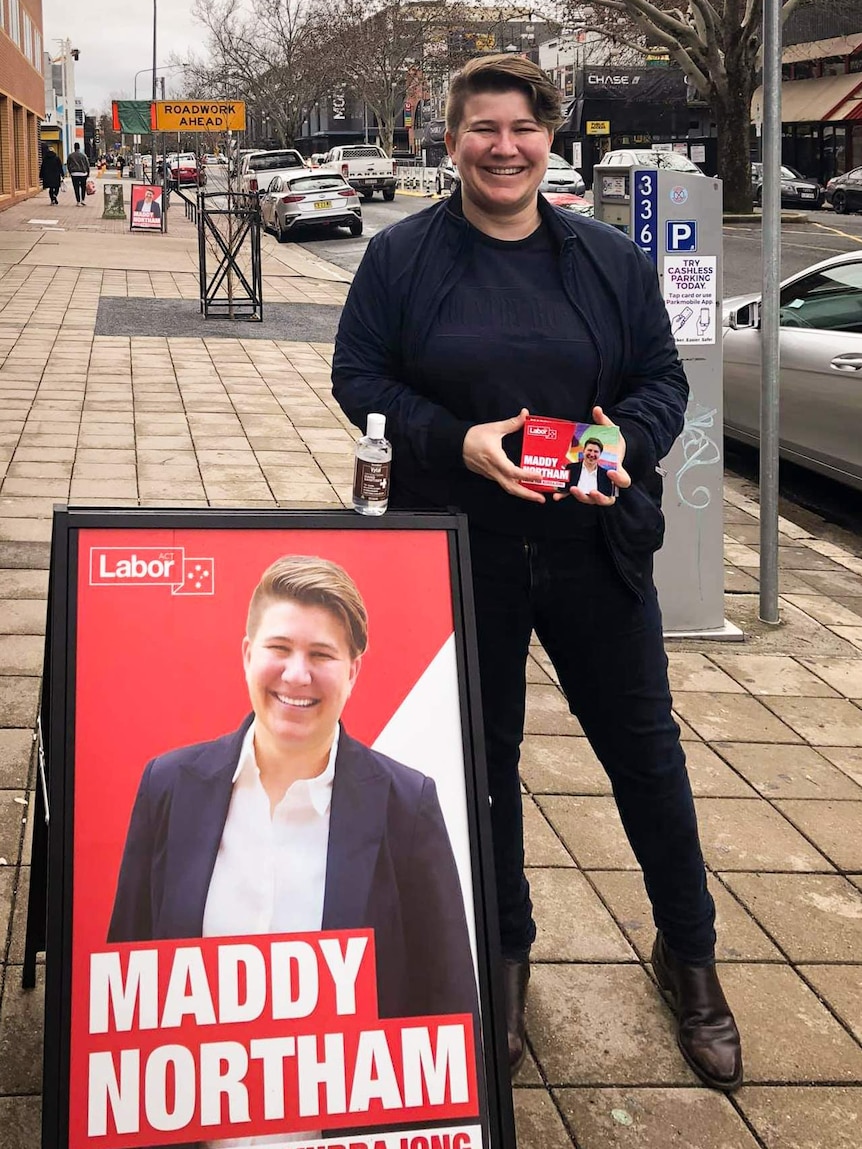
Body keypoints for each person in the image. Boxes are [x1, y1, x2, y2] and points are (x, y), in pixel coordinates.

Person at [331, 53, 742, 1092]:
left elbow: (661, 380)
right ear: (451, 140)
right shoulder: (405, 259)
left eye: (520, 128)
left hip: (592, 543)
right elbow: (359, 376)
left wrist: (623, 447)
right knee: (482, 764)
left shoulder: (604, 259)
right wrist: (454, 439)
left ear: (548, 136)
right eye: (481, 129)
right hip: (458, 546)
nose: (501, 147)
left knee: (645, 755)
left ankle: (688, 954)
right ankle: (503, 952)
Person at [108, 554, 477, 1025]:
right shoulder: (168, 784)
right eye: (279, 648)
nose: (297, 675)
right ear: (247, 655)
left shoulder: (406, 806)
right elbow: (127, 980)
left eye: (321, 654)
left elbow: (449, 1006)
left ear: (353, 672)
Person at [66, 142, 90, 206]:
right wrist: (88, 173)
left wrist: (70, 171)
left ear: (74, 148)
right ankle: (83, 200)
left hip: (74, 173)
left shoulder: (70, 156)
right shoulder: (83, 155)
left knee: (76, 187)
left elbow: (68, 164)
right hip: (83, 173)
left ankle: (78, 201)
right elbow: (87, 165)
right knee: (83, 187)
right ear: (79, 148)